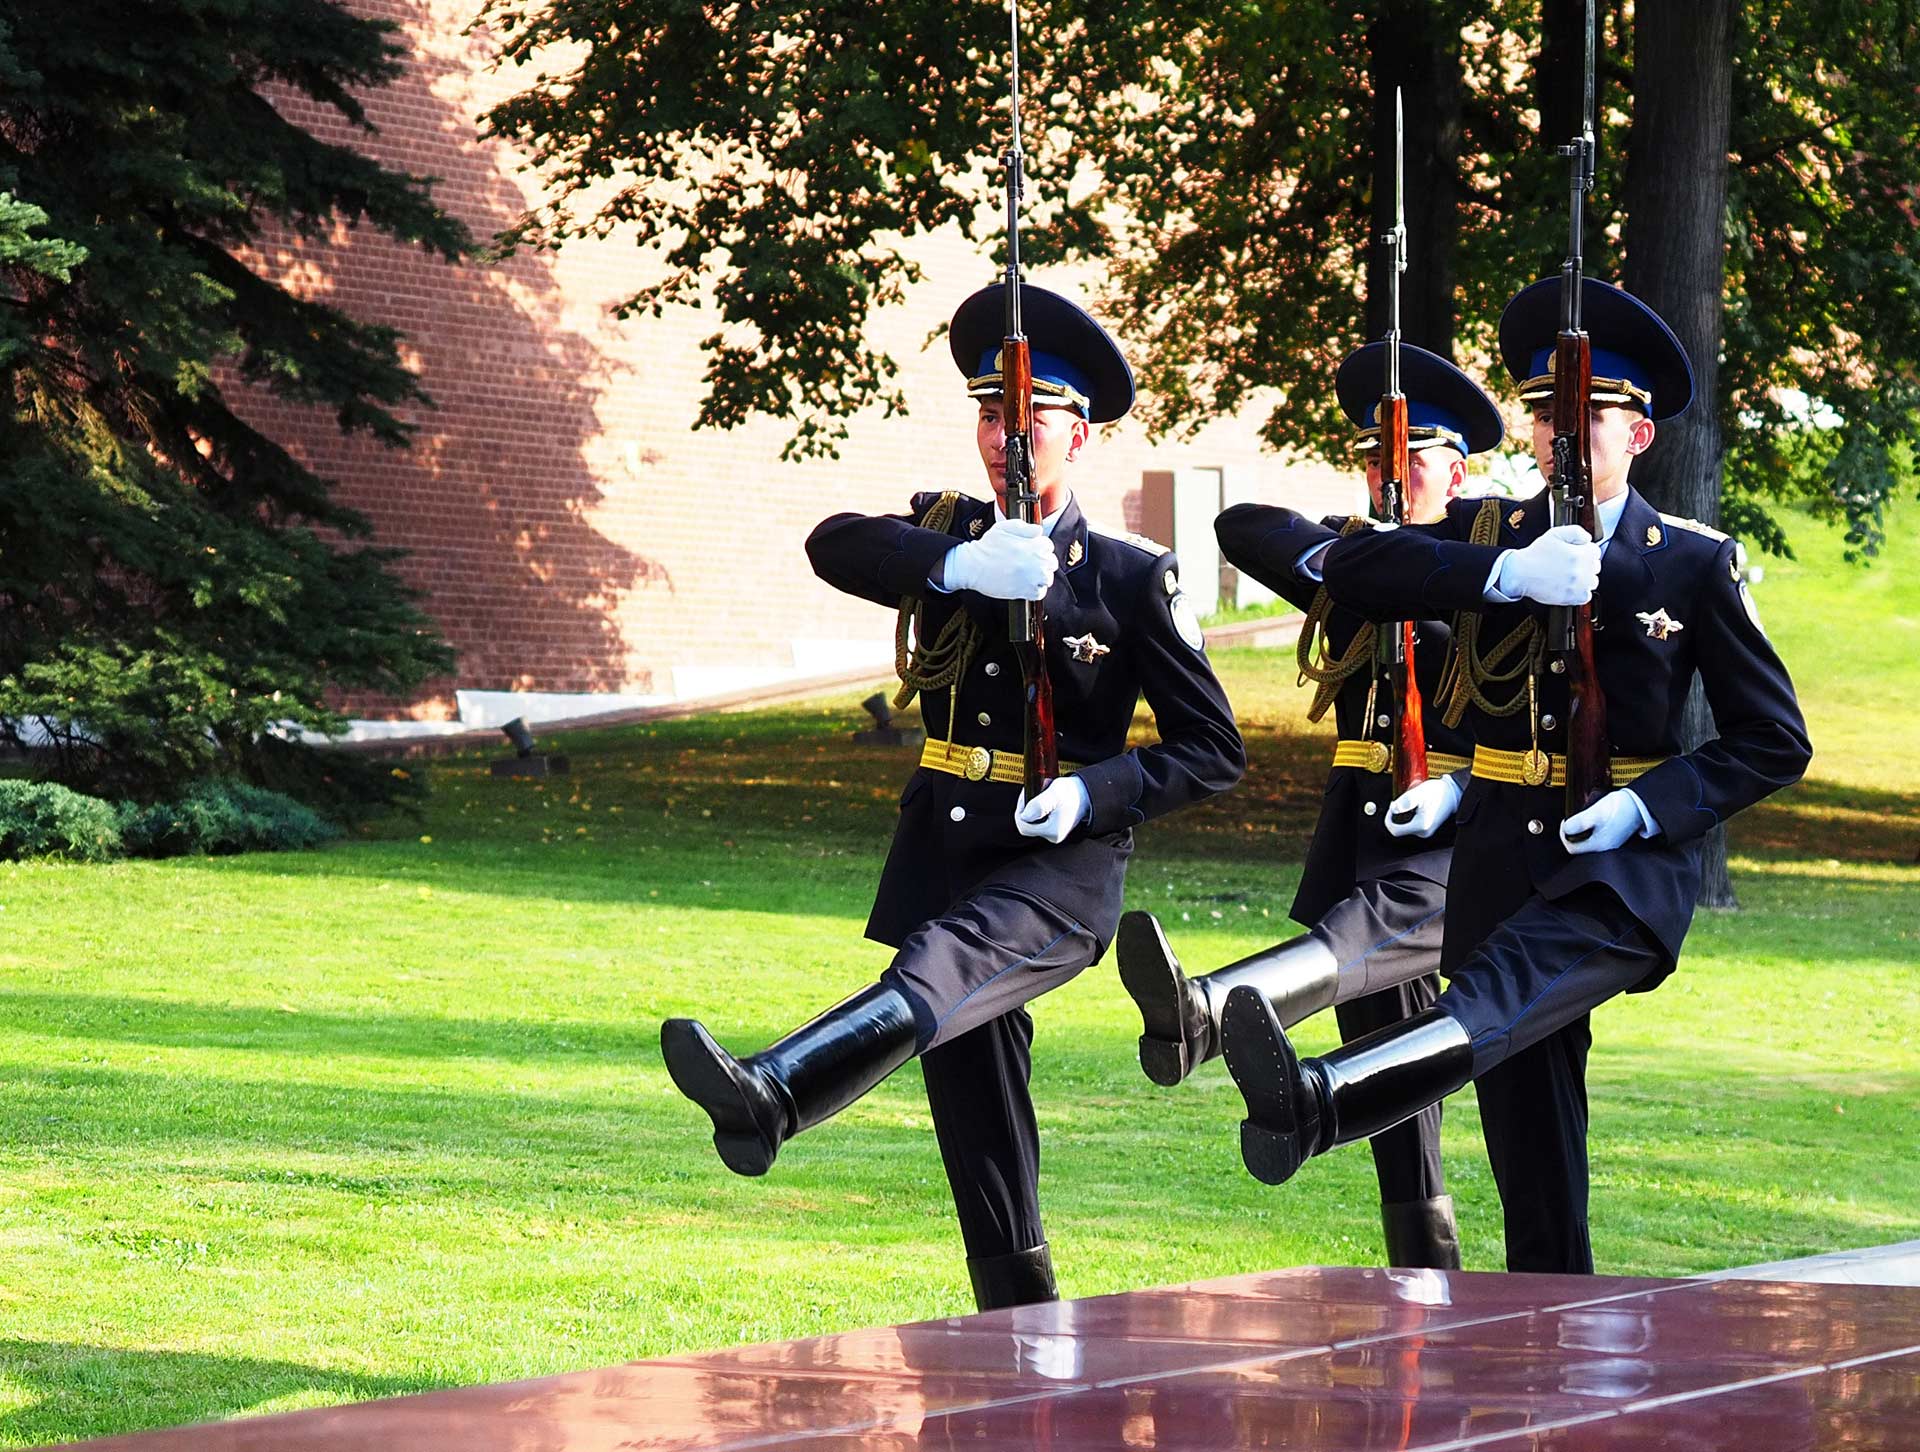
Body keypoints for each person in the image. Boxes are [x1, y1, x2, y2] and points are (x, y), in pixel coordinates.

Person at [662, 281, 1245, 1309]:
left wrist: (1095, 794)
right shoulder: (948, 534)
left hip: (1055, 876)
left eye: (1028, 416)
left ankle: (776, 1093)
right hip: (949, 848)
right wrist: (960, 562)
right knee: (975, 1108)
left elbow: (1213, 749)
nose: (1003, 435)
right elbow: (833, 542)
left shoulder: (1125, 578)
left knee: (940, 968)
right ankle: (1022, 1326)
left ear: (1085, 435)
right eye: (988, 413)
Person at [1217, 278, 1810, 1274]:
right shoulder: (1492, 535)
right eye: (1545, 416)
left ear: (1641, 437)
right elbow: (1354, 571)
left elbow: (1773, 739)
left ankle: (1327, 1100)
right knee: (1529, 1130)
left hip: (1620, 879)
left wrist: (1644, 806)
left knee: (1498, 989)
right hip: (1501, 859)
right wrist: (1502, 577)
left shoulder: (1693, 565)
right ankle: (1554, 1329)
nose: (1561, 436)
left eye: (1588, 417)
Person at [1115, 341, 1502, 1270]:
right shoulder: (1354, 558)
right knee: (1402, 1122)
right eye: (1376, 460)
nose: (1388, 476)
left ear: (1456, 471)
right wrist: (1360, 563)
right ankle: (1428, 1303)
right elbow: (1246, 527)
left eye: (1408, 461)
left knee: (1372, 934)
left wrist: (1426, 580)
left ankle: (1210, 1008)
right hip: (1363, 836)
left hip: (1459, 843)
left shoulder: (1497, 560)